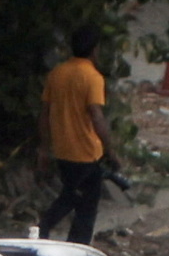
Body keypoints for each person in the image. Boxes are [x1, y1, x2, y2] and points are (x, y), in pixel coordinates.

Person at [34, 31, 115, 241]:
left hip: (62, 149)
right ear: (95, 49)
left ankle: (68, 240)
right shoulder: (93, 77)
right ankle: (45, 229)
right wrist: (110, 149)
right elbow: (96, 115)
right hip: (87, 152)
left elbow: (44, 113)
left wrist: (44, 147)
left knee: (77, 197)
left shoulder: (57, 73)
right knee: (80, 203)